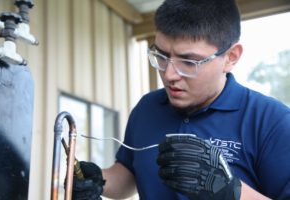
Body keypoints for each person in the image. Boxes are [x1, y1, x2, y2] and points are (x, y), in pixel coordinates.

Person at [70, 0, 290, 199]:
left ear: (230, 57)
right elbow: (132, 173)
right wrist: (99, 179)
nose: (169, 75)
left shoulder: (271, 121)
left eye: (188, 62)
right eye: (162, 56)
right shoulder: (147, 108)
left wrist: (232, 192)